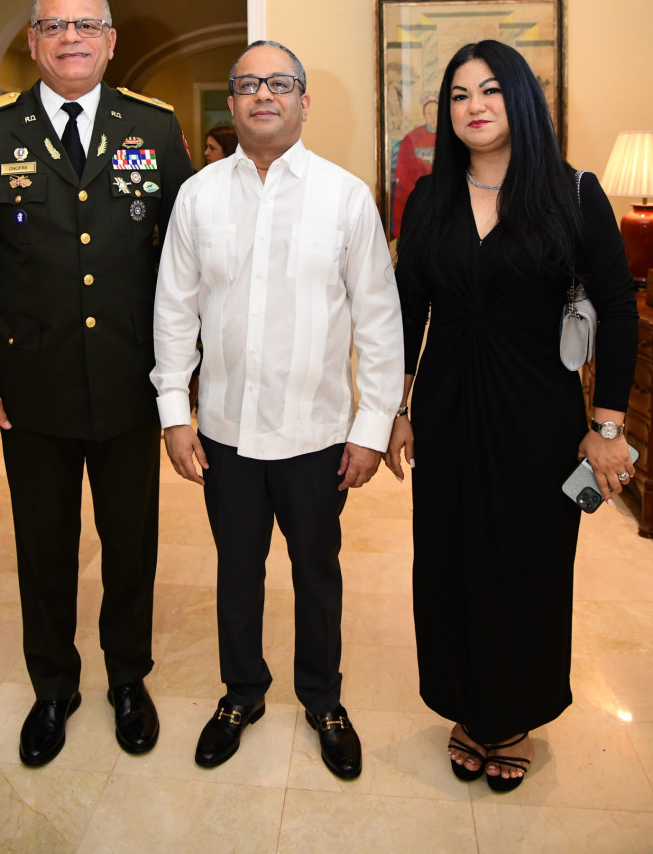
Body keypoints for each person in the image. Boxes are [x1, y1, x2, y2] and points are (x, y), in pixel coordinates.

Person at [0, 0, 193, 767]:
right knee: (43, 546)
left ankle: (126, 679)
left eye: (87, 25)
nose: (72, 38)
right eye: (55, 27)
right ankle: (53, 685)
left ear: (111, 41)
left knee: (131, 546)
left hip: (130, 384)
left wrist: (186, 381)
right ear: (34, 42)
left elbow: (186, 262)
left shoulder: (153, 129)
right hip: (31, 391)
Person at [385, 39, 638, 792]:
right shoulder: (428, 197)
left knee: (525, 563)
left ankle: (514, 716)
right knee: (450, 558)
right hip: (447, 405)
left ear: (521, 98)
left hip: (537, 411)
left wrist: (609, 426)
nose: (475, 106)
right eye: (459, 95)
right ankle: (467, 707)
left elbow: (619, 310)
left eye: (491, 90)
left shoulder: (572, 191)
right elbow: (409, 305)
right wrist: (396, 406)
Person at [151, 40, 404, 779]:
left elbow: (378, 322)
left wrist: (369, 428)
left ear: (303, 100)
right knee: (237, 570)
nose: (265, 94)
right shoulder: (198, 196)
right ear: (231, 103)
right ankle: (242, 692)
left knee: (317, 572)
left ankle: (323, 698)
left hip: (319, 436)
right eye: (249, 83)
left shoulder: (345, 196)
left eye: (281, 82)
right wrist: (174, 412)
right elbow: (175, 311)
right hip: (225, 433)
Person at [391, 91, 437, 237]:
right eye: (428, 112)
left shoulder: (451, 136)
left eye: (436, 112)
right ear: (424, 115)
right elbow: (403, 170)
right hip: (416, 190)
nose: (432, 116)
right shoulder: (412, 137)